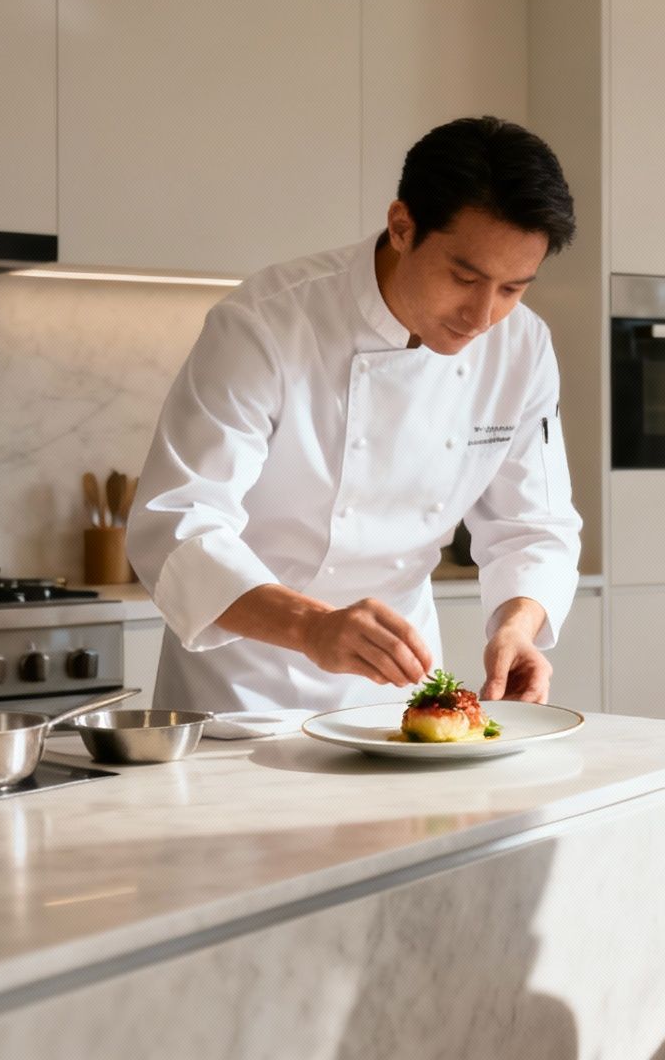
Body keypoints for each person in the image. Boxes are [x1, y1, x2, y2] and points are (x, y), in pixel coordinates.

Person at [127, 116, 582, 713]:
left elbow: (535, 526)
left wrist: (517, 628)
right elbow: (176, 524)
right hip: (243, 694)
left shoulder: (521, 347)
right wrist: (312, 628)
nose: (482, 316)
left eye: (512, 288)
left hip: (398, 693)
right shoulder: (267, 324)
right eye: (464, 277)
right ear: (402, 226)